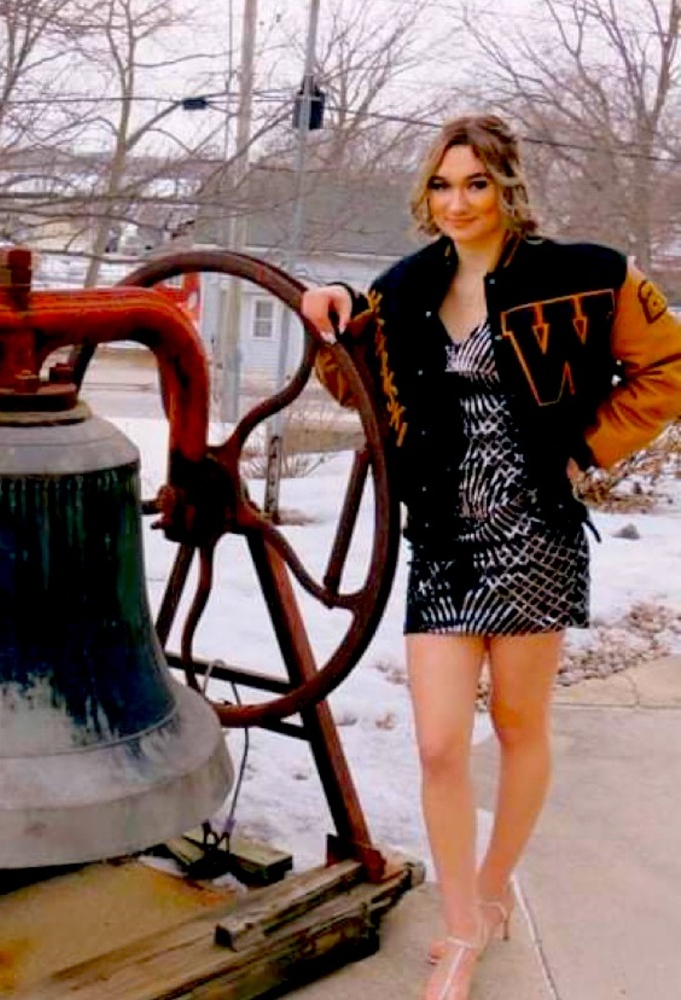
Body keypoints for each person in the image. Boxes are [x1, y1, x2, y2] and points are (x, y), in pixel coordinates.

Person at [301, 113, 681, 1000]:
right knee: (440, 745)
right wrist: (331, 308)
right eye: (442, 184)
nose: (458, 202)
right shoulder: (403, 287)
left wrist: (584, 451)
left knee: (516, 727)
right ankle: (461, 922)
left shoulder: (588, 274)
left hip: (534, 531)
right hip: (443, 537)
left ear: (506, 186)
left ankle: (491, 888)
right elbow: (355, 383)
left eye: (475, 183)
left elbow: (668, 369)